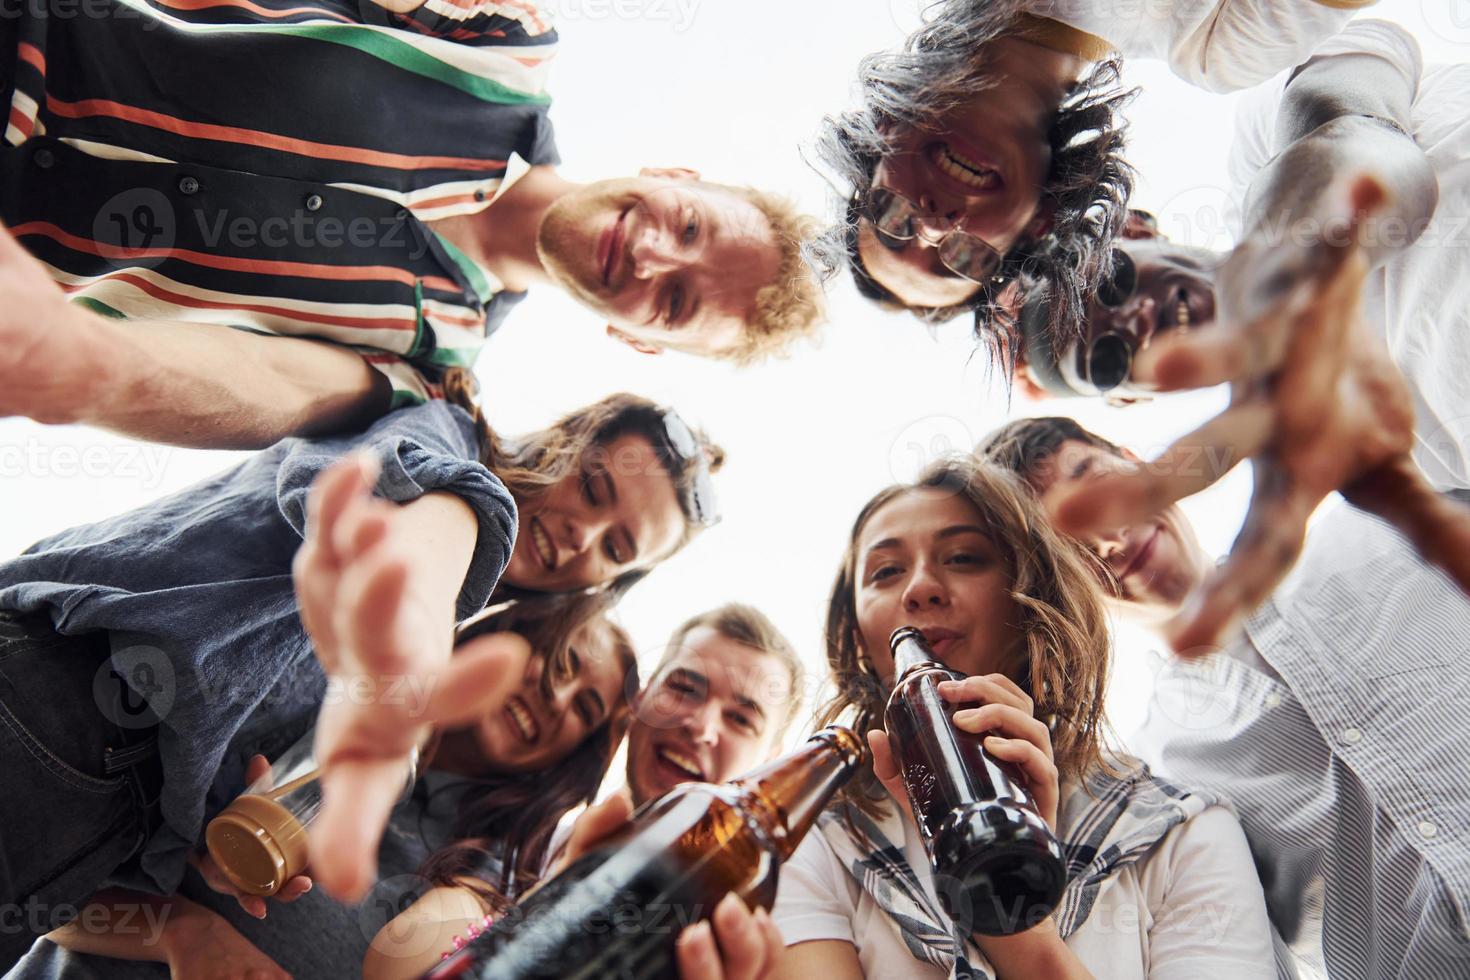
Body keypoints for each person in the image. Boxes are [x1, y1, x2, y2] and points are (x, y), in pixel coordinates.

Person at [0, 374, 723, 970]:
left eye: (616, 546)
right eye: (594, 490)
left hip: (96, 815)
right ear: (566, 444)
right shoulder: (445, 442)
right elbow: (433, 531)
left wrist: (207, 849)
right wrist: (407, 647)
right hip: (54, 696)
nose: (581, 535)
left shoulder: (480, 837)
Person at [0, 0, 823, 450]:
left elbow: (264, 384)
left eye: (675, 303)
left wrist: (83, 370)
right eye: (689, 228)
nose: (649, 256)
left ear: (642, 343)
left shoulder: (432, 368)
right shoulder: (503, 40)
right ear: (676, 175)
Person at [1009, 20, 1470, 652]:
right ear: (1132, 398)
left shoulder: (1268, 143)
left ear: (1137, 234)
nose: (1131, 321)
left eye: (1112, 282)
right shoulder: (1382, 449)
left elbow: (1366, 138)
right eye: (1109, 357)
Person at [981, 413, 1470, 977]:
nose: (1111, 539)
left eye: (1096, 484)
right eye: (1068, 547)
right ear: (1054, 588)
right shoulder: (1157, 781)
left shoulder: (1388, 521)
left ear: (1136, 462)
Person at [767, 455, 1276, 979]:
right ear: (856, 634)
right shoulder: (815, 840)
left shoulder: (1180, 834)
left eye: (964, 557)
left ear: (1030, 598)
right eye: (886, 571)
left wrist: (1012, 914)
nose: (919, 588)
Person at [8, 606, 639, 980]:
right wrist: (182, 933)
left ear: (574, 756)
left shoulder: (490, 870)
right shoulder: (325, 702)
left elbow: (398, 964)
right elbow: (56, 879)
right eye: (559, 660)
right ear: (510, 637)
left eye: (585, 706)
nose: (555, 697)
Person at [808, 0, 1371, 337]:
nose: (931, 226)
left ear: (880, 134)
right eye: (960, 259)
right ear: (1038, 223)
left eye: (893, 221)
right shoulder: (1216, 46)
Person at [358, 602, 806, 979]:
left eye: (741, 719)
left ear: (769, 764)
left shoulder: (752, 938)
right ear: (642, 699)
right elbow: (397, 961)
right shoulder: (524, 847)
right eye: (684, 688)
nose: (700, 726)